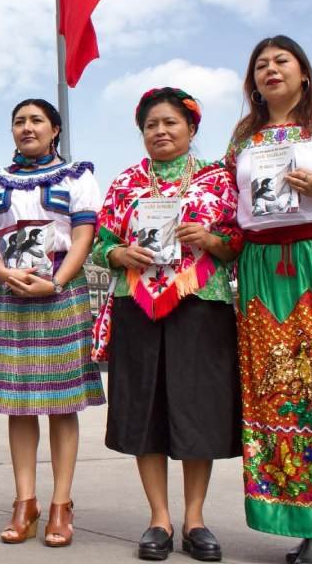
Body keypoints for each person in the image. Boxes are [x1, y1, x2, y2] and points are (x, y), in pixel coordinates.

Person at [95, 88, 241, 562]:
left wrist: (212, 239)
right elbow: (100, 244)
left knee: (197, 410)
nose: (160, 131)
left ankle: (195, 519)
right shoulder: (124, 184)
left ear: (191, 129)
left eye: (170, 123)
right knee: (146, 409)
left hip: (200, 304)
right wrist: (118, 253)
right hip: (136, 305)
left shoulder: (220, 180)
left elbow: (239, 240)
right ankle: (159, 518)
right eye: (151, 125)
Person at [0, 98, 105, 547]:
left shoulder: (78, 174)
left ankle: (61, 504)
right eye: (19, 122)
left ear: (55, 129)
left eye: (36, 121)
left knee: (63, 402)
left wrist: (58, 282)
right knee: (19, 402)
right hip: (10, 288)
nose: (27, 128)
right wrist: (2, 271)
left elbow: (84, 234)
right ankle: (24, 501)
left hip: (59, 288)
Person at [226, 36, 312, 564]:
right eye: (260, 65)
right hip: (262, 270)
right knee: (277, 393)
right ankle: (304, 522)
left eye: (281, 61)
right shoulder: (244, 137)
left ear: (304, 72)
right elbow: (229, 206)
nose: (271, 70)